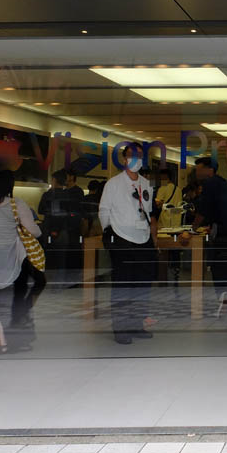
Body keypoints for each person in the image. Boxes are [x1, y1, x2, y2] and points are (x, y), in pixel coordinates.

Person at [0, 169, 46, 354]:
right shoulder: (16, 204)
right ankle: (12, 341)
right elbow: (33, 231)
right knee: (20, 297)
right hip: (13, 262)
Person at [99, 144, 158, 345]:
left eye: (140, 156)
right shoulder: (113, 184)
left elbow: (150, 213)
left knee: (142, 284)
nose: (136, 160)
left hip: (143, 238)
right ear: (124, 159)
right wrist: (110, 232)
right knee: (123, 284)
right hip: (122, 238)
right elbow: (104, 211)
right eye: (132, 156)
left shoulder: (146, 183)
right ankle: (121, 328)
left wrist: (153, 236)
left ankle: (136, 324)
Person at [189, 157, 227, 317]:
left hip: (225, 234)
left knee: (220, 269)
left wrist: (193, 229)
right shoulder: (220, 182)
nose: (197, 172)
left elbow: (203, 210)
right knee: (224, 269)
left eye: (199, 169)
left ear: (209, 169)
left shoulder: (210, 183)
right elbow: (216, 209)